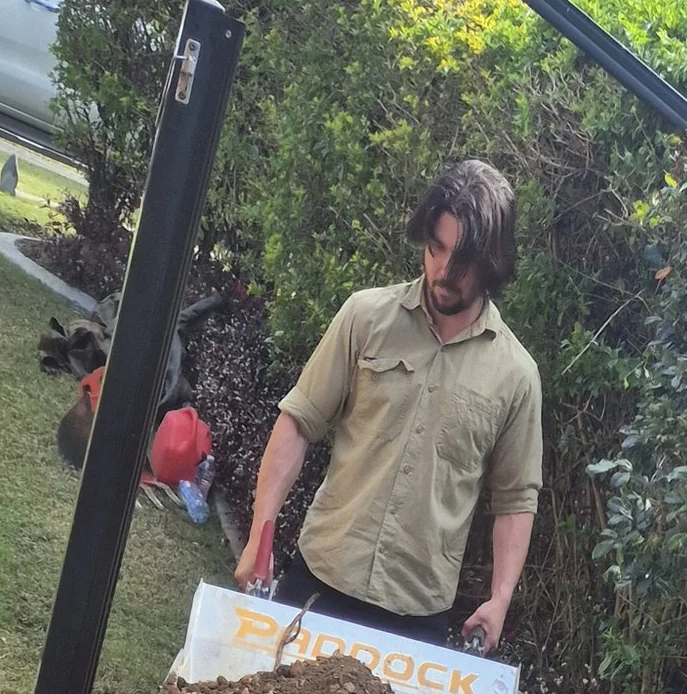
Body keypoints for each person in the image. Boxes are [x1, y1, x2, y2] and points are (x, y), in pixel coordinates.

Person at [231, 160, 543, 655]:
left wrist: (500, 599)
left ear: (493, 262)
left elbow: (515, 500)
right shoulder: (365, 316)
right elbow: (298, 422)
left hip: (415, 621)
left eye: (460, 258)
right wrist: (260, 534)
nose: (443, 270)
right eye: (435, 248)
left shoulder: (517, 376)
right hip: (321, 581)